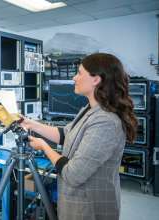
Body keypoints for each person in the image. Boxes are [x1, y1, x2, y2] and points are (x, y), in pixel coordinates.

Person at [21, 53, 137, 220]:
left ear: (96, 79)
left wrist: (44, 147)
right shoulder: (89, 109)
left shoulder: (106, 122)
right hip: (74, 202)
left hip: (89, 208)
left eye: (79, 73)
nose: (74, 78)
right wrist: (30, 123)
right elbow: (65, 134)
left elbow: (73, 174)